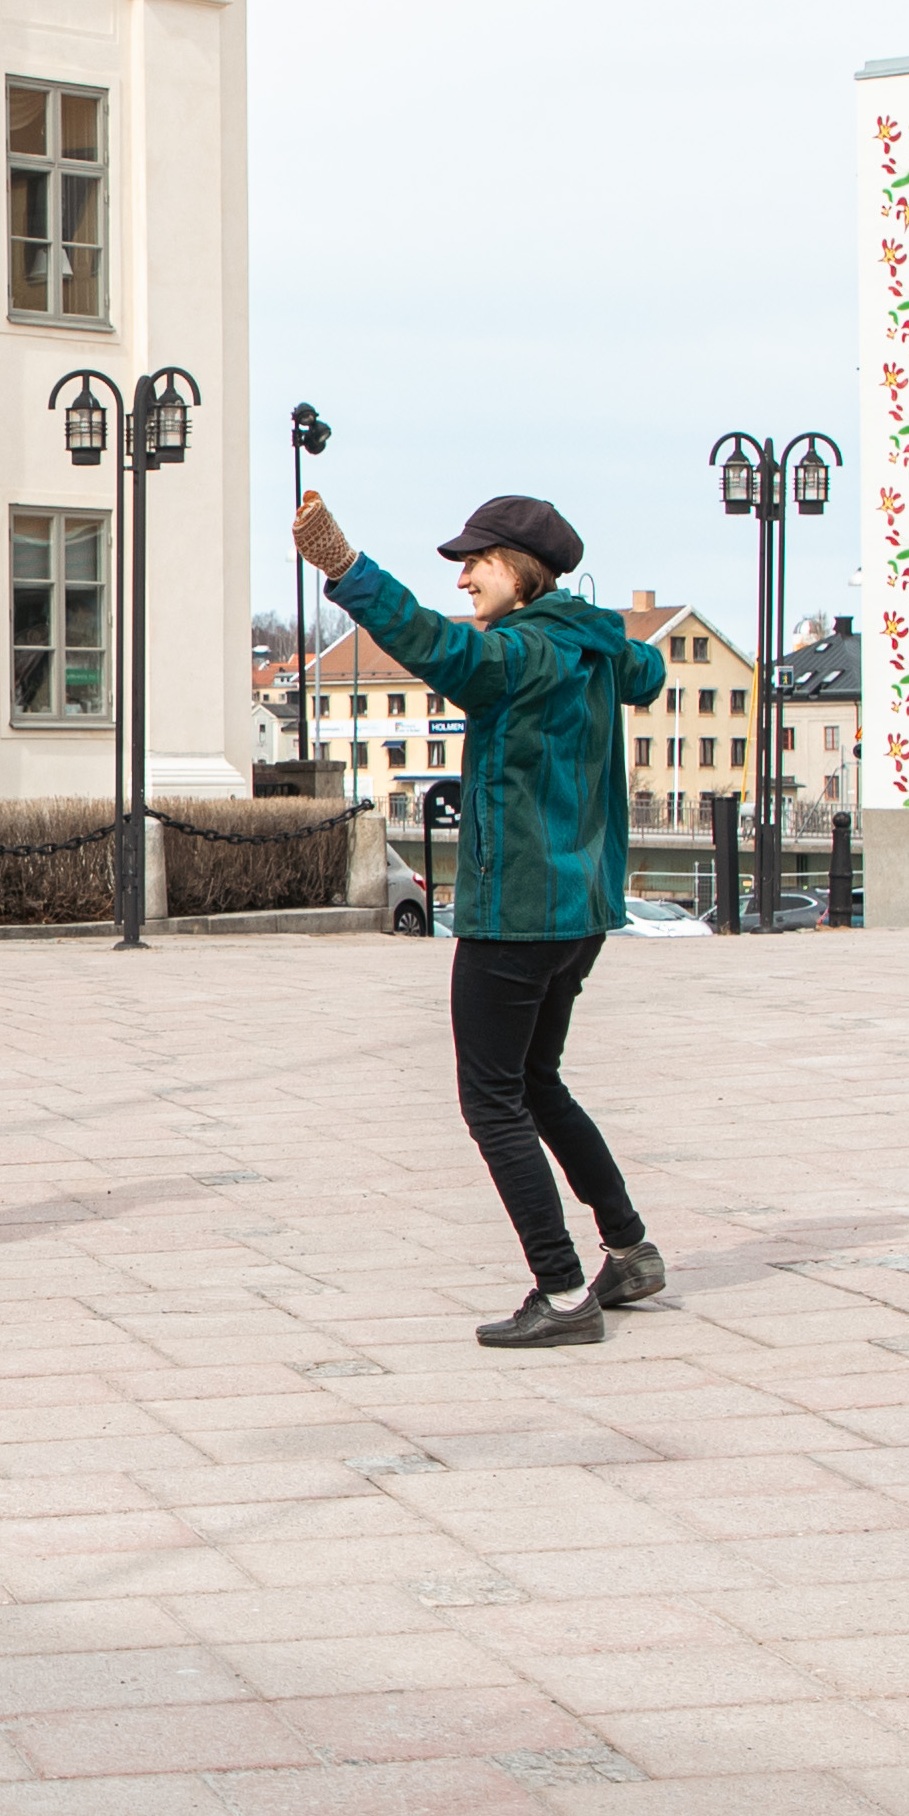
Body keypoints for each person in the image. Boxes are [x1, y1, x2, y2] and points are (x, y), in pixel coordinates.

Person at [287, 487, 670, 1348]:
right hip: (581, 911)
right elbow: (647, 669)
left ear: (520, 573)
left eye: (476, 560)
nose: (462, 575)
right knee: (538, 1083)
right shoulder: (592, 644)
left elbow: (441, 651)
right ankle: (630, 1249)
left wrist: (348, 570)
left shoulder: (524, 651)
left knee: (491, 1099)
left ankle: (562, 1289)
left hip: (519, 909)